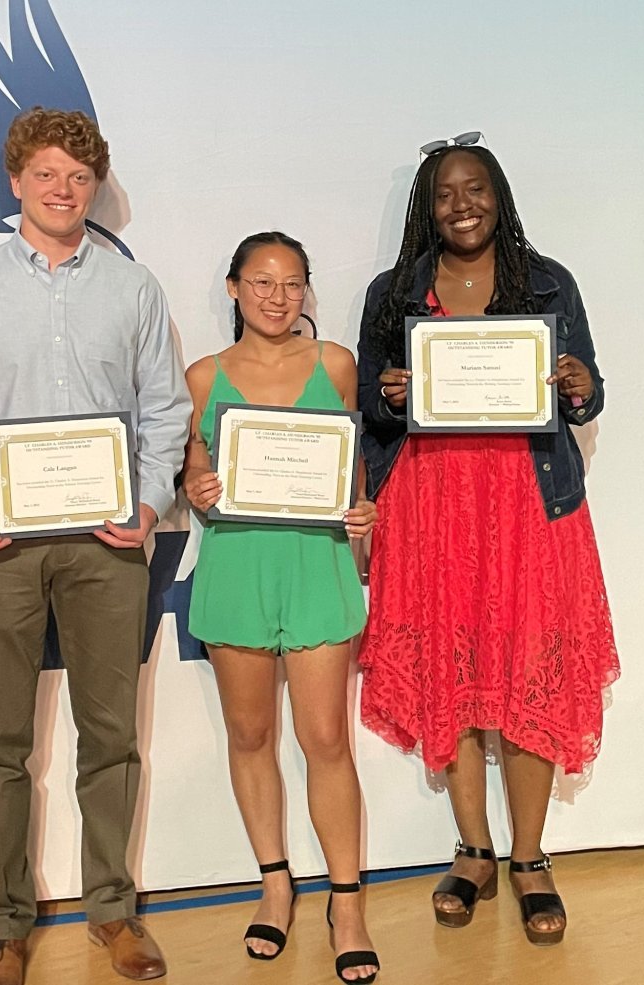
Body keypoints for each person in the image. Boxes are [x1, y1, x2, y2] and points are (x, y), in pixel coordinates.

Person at [0, 107, 191, 984]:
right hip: (0, 528)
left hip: (109, 531)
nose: (64, 190)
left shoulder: (132, 289)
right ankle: (3, 922)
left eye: (79, 176)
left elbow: (166, 409)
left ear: (94, 187)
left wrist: (147, 504)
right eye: (47, 174)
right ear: (17, 180)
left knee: (111, 733)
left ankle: (114, 911)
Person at [357, 139, 620, 946]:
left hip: (527, 501)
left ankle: (531, 857)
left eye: (475, 188)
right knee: (455, 671)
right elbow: (371, 399)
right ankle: (473, 850)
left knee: (529, 668)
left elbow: (588, 389)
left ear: (498, 196)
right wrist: (393, 392)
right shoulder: (394, 290)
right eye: (444, 193)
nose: (460, 203)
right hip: (433, 502)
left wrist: (578, 384)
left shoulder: (549, 281)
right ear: (425, 208)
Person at [183, 232, 380, 984]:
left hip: (316, 567)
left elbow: (352, 476)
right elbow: (197, 477)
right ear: (233, 288)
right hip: (237, 567)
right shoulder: (204, 375)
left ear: (307, 291)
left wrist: (362, 514)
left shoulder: (334, 364)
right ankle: (274, 881)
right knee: (249, 731)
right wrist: (197, 492)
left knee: (327, 737)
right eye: (261, 282)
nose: (277, 296)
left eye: (292, 283)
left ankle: (348, 899)